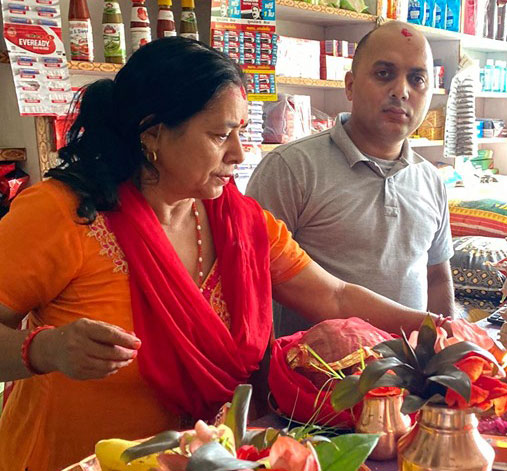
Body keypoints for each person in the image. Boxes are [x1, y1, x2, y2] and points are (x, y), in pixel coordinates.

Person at [0, 37, 445, 471]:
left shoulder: (241, 224)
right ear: (153, 133)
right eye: (219, 135)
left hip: (206, 459)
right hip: (71, 459)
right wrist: (44, 350)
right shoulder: (63, 214)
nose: (238, 153)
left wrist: (438, 330)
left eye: (240, 132)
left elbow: (336, 297)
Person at [246, 21, 455, 336]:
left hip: (409, 368)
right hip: (314, 368)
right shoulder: (290, 168)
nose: (401, 91)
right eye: (384, 73)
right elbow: (251, 285)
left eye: (417, 79)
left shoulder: (431, 180)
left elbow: (437, 276)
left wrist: (449, 350)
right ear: (350, 85)